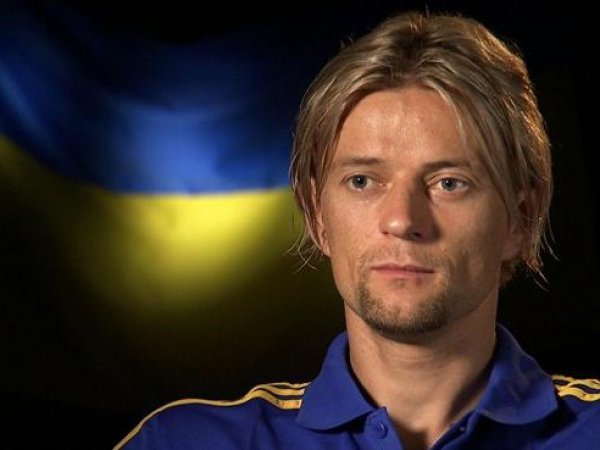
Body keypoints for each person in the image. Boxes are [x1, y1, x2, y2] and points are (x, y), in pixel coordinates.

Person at [114, 11, 600, 450]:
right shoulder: (183, 443)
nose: (402, 220)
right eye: (362, 181)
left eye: (449, 183)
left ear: (520, 219)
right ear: (316, 216)